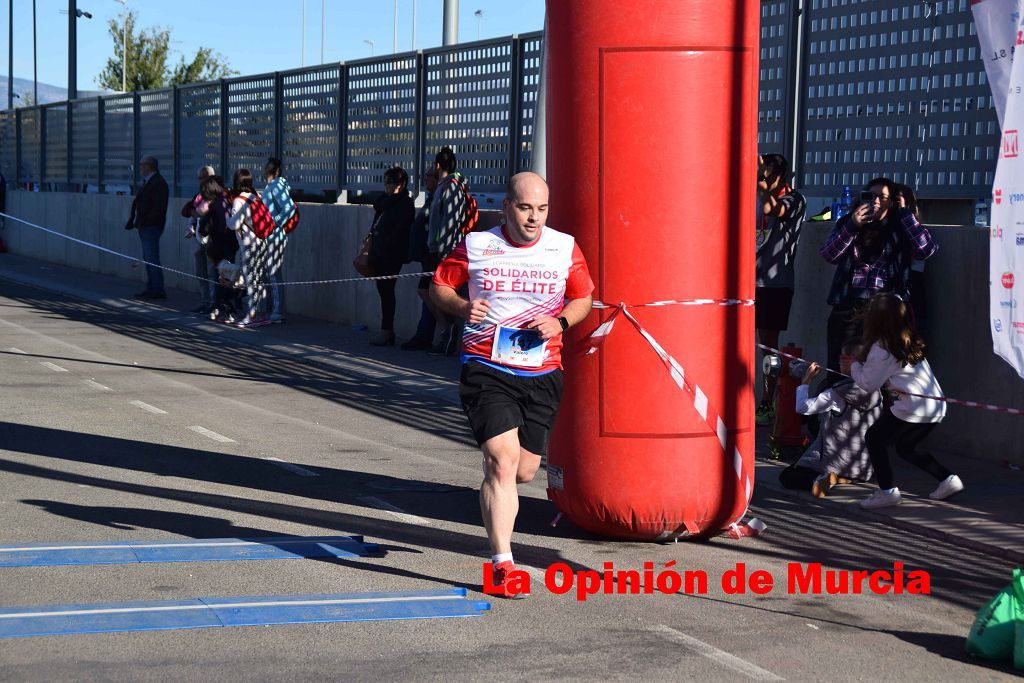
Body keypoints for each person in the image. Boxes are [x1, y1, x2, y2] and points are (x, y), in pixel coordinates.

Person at [430, 172, 594, 598]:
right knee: (501, 462)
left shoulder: (563, 247)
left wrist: (559, 322)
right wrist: (464, 307)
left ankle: (496, 494)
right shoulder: (479, 245)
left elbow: (583, 298)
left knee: (523, 470)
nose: (534, 218)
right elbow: (439, 285)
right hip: (487, 366)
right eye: (525, 208)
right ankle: (503, 564)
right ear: (506, 207)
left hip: (542, 372)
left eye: (541, 209)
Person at [850, 293, 963, 509]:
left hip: (913, 406)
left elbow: (868, 383)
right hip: (936, 405)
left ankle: (887, 492)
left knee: (874, 438)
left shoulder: (882, 348)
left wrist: (854, 365)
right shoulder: (908, 339)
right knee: (905, 447)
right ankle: (948, 479)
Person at [819, 177, 937, 381]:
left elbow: (927, 249)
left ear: (891, 202)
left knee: (879, 372)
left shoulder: (900, 227)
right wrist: (852, 226)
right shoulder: (847, 223)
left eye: (882, 197)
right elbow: (829, 254)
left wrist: (906, 214)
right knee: (841, 369)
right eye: (869, 196)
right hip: (849, 305)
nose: (874, 201)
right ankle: (838, 410)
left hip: (884, 311)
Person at [778, 343, 881, 497]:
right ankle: (841, 478)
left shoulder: (838, 392)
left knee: (787, 475)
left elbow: (802, 408)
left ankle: (818, 480)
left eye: (843, 358)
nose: (839, 362)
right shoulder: (878, 391)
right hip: (863, 465)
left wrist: (806, 381)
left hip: (835, 461)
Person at [755, 154, 806, 425]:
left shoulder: (795, 199)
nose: (764, 180)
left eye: (769, 175)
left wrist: (762, 183)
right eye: (763, 175)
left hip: (774, 284)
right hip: (747, 282)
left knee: (768, 346)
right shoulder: (754, 196)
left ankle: (767, 401)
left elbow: (772, 210)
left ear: (782, 176)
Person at [428, 146, 473, 356]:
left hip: (447, 252)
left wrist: (444, 250)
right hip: (442, 249)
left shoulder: (450, 187)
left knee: (440, 294)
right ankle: (446, 334)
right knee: (431, 292)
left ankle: (450, 334)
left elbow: (449, 222)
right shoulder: (445, 186)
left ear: (438, 165)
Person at [367, 167, 416, 346]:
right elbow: (378, 204)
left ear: (400, 185)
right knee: (382, 290)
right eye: (385, 182)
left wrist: (386, 242)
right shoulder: (385, 201)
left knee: (387, 291)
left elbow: (401, 230)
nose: (387, 186)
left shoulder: (405, 203)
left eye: (391, 182)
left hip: (393, 253)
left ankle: (387, 331)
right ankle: (386, 331)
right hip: (379, 251)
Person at [402, 165, 443, 351]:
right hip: (426, 256)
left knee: (427, 292)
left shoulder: (440, 199)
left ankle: (446, 332)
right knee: (428, 295)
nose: (425, 180)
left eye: (428, 176)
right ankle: (424, 334)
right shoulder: (432, 198)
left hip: (434, 256)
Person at [227, 168, 269, 328]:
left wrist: (228, 220)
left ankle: (252, 316)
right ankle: (262, 313)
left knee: (251, 280)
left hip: (248, 244)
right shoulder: (256, 196)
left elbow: (234, 224)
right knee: (259, 279)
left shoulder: (239, 200)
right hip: (262, 242)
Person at [124, 155, 169, 300]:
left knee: (152, 257)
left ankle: (157, 288)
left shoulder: (158, 183)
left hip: (151, 226)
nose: (140, 168)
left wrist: (146, 221)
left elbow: (158, 207)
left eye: (142, 165)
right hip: (145, 225)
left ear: (149, 166)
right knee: (148, 258)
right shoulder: (149, 182)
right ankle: (152, 286)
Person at [197, 176, 238, 322]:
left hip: (224, 246)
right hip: (226, 245)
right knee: (223, 278)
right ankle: (224, 308)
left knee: (225, 279)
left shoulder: (219, 204)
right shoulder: (224, 199)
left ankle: (229, 310)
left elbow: (223, 227)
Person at [261, 157, 296, 324]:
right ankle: (272, 309)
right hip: (270, 236)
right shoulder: (271, 186)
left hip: (275, 237)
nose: (263, 169)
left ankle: (277, 310)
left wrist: (274, 223)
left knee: (274, 274)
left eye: (266, 167)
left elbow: (289, 207)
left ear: (272, 171)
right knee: (270, 273)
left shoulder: (275, 186)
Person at [183, 165, 217, 314]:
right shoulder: (198, 196)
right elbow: (191, 213)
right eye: (199, 178)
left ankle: (213, 303)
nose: (201, 181)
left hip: (211, 238)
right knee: (200, 272)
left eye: (204, 177)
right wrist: (191, 225)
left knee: (212, 272)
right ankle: (205, 301)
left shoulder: (217, 194)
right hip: (198, 237)